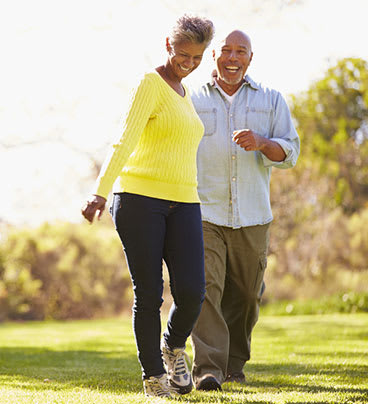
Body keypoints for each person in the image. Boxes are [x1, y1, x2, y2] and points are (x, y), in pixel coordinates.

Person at [81, 15, 214, 398]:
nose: (188, 63)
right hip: (139, 199)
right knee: (150, 293)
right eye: (183, 54)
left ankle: (172, 348)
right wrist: (99, 192)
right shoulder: (150, 84)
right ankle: (154, 377)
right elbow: (124, 140)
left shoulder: (185, 94)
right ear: (168, 45)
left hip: (185, 199)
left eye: (197, 57)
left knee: (192, 291)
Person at [190, 30, 300, 391]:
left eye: (241, 51)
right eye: (226, 51)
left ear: (251, 58)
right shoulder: (191, 98)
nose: (232, 58)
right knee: (205, 289)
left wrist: (263, 143)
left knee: (247, 294)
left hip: (253, 216)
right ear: (213, 57)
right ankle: (208, 369)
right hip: (204, 213)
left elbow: (291, 152)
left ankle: (234, 363)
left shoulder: (271, 100)